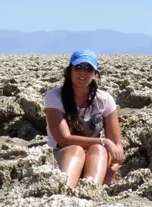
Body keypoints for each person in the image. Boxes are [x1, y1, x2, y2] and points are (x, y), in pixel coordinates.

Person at [43, 48, 125, 188]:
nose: (82, 73)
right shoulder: (55, 97)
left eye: (88, 69)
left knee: (98, 150)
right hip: (61, 154)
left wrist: (111, 170)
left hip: (94, 157)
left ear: (94, 74)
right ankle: (65, 193)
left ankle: (91, 194)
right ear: (70, 71)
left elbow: (117, 148)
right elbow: (64, 140)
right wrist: (103, 141)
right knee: (77, 150)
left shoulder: (104, 100)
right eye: (78, 67)